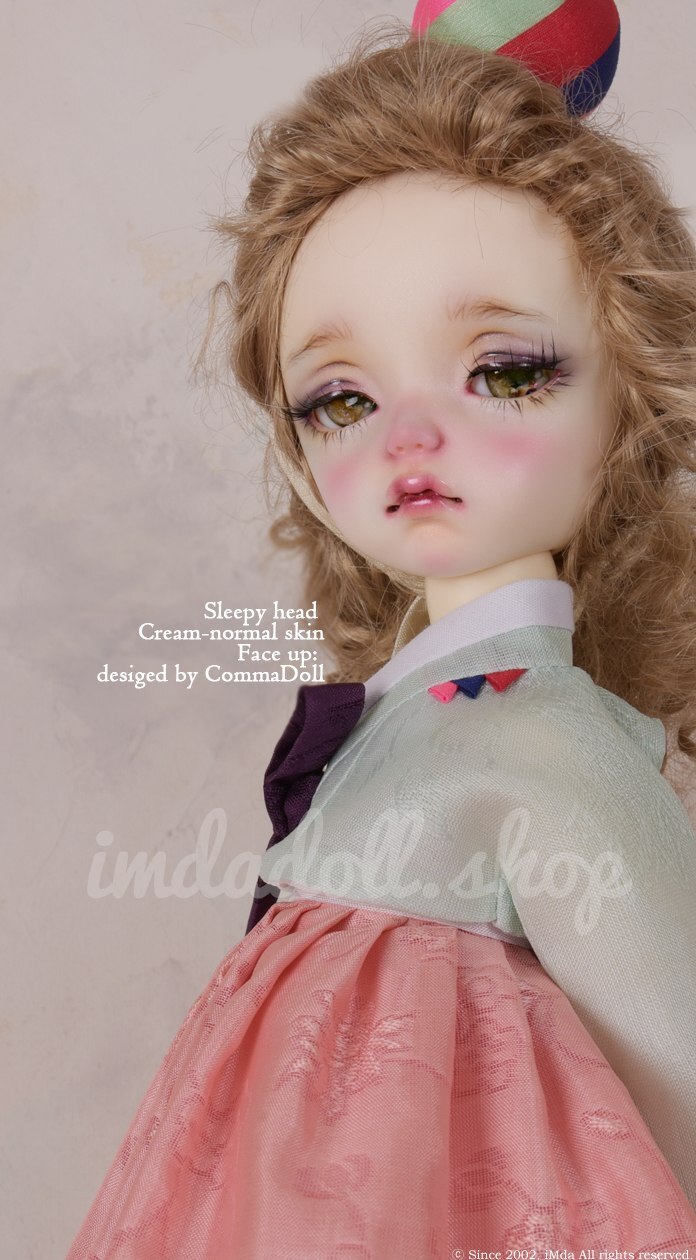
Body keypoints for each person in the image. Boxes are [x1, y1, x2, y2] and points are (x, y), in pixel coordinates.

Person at [66, 8, 696, 1256]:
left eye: (504, 371)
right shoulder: (397, 716)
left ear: (633, 393)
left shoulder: (545, 740)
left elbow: (676, 1074)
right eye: (342, 398)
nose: (409, 437)